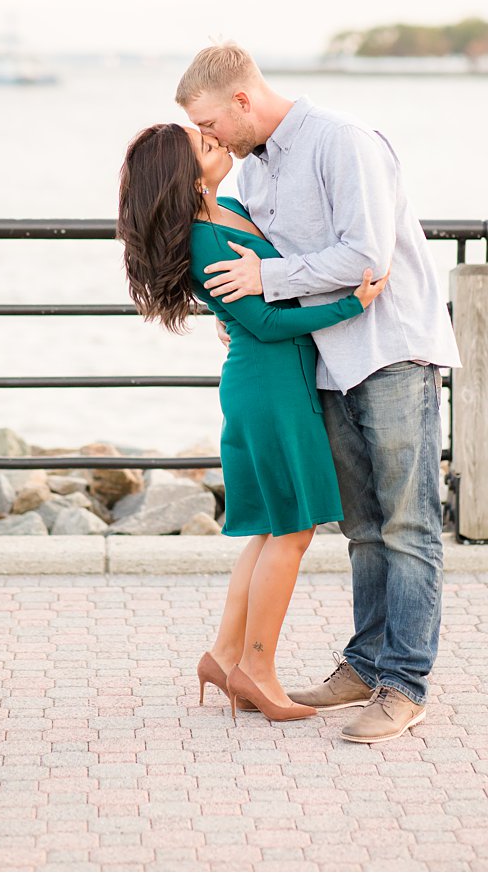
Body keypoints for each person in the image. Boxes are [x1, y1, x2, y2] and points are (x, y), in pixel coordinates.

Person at [177, 41, 460, 744]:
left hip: (390, 351)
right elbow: (252, 262)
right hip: (325, 364)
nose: (208, 138)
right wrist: (239, 305)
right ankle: (365, 664)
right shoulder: (254, 174)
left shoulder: (342, 141)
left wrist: (266, 284)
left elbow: (366, 256)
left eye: (210, 122)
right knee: (363, 528)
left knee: (408, 524)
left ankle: (404, 683)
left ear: (242, 100)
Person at [119, 122, 386, 721]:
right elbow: (263, 323)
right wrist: (353, 304)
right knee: (291, 530)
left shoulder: (233, 208)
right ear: (183, 175)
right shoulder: (203, 238)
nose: (214, 142)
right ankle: (258, 671)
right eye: (201, 144)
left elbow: (272, 282)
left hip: (278, 384)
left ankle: (225, 656)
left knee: (271, 527)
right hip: (268, 389)